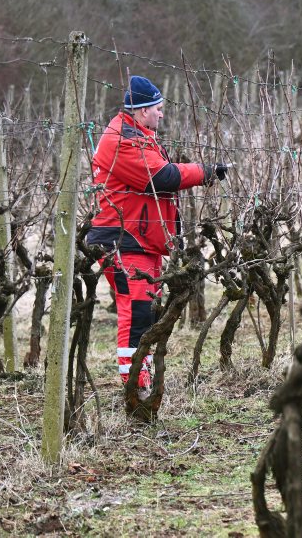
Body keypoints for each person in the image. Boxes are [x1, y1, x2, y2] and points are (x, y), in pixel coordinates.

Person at [87, 75, 227, 390]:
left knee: (147, 311)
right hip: (123, 238)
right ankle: (135, 385)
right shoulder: (122, 140)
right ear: (142, 110)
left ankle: (143, 376)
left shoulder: (138, 135)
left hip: (141, 239)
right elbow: (162, 177)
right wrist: (204, 172)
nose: (162, 114)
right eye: (158, 108)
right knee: (136, 310)